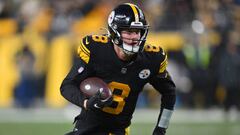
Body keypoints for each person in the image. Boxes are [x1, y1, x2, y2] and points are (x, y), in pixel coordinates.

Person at [60, 3, 176, 135]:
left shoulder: (151, 59)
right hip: (86, 130)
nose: (134, 37)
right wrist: (86, 103)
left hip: (118, 131)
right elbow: (67, 85)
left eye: (137, 32)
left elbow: (169, 93)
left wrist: (161, 128)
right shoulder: (96, 49)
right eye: (128, 31)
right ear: (114, 31)